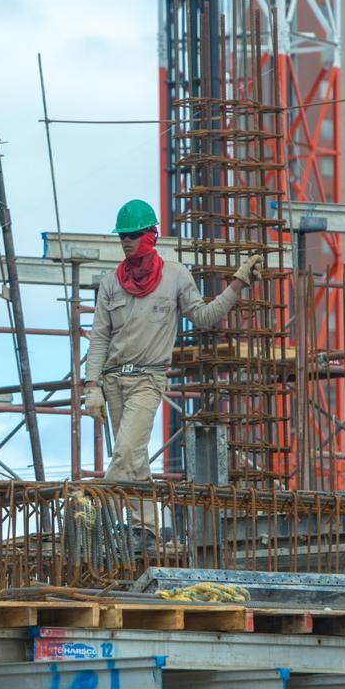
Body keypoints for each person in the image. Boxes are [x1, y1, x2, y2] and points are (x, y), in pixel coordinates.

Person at [82, 199, 263, 505]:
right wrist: (91, 386)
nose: (126, 242)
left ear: (150, 235)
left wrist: (237, 283)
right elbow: (99, 337)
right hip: (113, 383)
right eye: (122, 236)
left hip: (146, 381)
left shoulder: (175, 276)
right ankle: (147, 530)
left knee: (125, 451)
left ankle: (89, 511)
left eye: (132, 235)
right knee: (136, 462)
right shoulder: (112, 283)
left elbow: (204, 317)